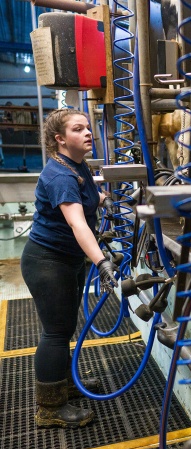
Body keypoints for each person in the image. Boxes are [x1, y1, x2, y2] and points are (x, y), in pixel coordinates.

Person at [21, 108, 118, 429]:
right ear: (60, 139)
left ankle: (64, 385)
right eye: (79, 129)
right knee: (56, 333)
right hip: (48, 262)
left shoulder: (77, 165)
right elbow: (77, 223)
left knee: (63, 328)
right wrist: (101, 261)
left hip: (66, 260)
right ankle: (49, 408)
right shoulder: (60, 174)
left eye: (88, 128)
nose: (88, 133)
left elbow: (88, 195)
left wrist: (104, 201)